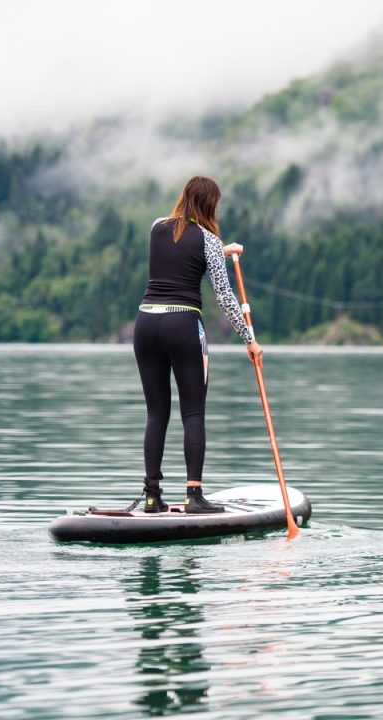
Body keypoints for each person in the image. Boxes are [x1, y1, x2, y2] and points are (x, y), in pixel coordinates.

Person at [133, 175, 262, 514]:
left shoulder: (156, 227)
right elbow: (225, 297)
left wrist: (222, 251)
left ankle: (152, 496)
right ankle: (194, 496)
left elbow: (181, 251)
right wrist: (250, 341)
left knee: (156, 412)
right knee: (193, 412)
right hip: (183, 326)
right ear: (210, 205)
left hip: (145, 323)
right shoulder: (207, 238)